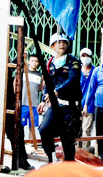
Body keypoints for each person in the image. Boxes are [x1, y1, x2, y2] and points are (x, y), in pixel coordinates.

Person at [37, 33, 82, 163]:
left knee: (67, 139)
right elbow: (48, 83)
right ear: (52, 46)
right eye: (58, 42)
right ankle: (51, 157)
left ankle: (68, 165)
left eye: (64, 42)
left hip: (71, 107)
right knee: (44, 129)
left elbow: (73, 80)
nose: (61, 44)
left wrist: (57, 91)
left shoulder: (73, 62)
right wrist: (42, 101)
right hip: (57, 105)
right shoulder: (50, 63)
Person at [5, 68, 33, 170]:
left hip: (10, 105)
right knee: (16, 134)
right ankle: (21, 161)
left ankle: (21, 161)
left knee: (18, 133)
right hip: (4, 104)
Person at [21, 53, 42, 143]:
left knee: (32, 126)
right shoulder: (22, 73)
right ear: (28, 61)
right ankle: (20, 144)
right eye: (32, 61)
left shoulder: (40, 76)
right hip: (23, 103)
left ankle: (30, 144)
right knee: (20, 126)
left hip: (34, 105)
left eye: (36, 61)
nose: (34, 63)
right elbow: (15, 86)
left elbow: (41, 88)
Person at [79, 47, 96, 154]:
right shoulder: (76, 70)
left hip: (89, 105)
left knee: (86, 130)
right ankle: (75, 152)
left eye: (87, 56)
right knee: (75, 130)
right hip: (76, 104)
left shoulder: (95, 71)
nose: (85, 58)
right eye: (83, 56)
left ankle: (85, 153)